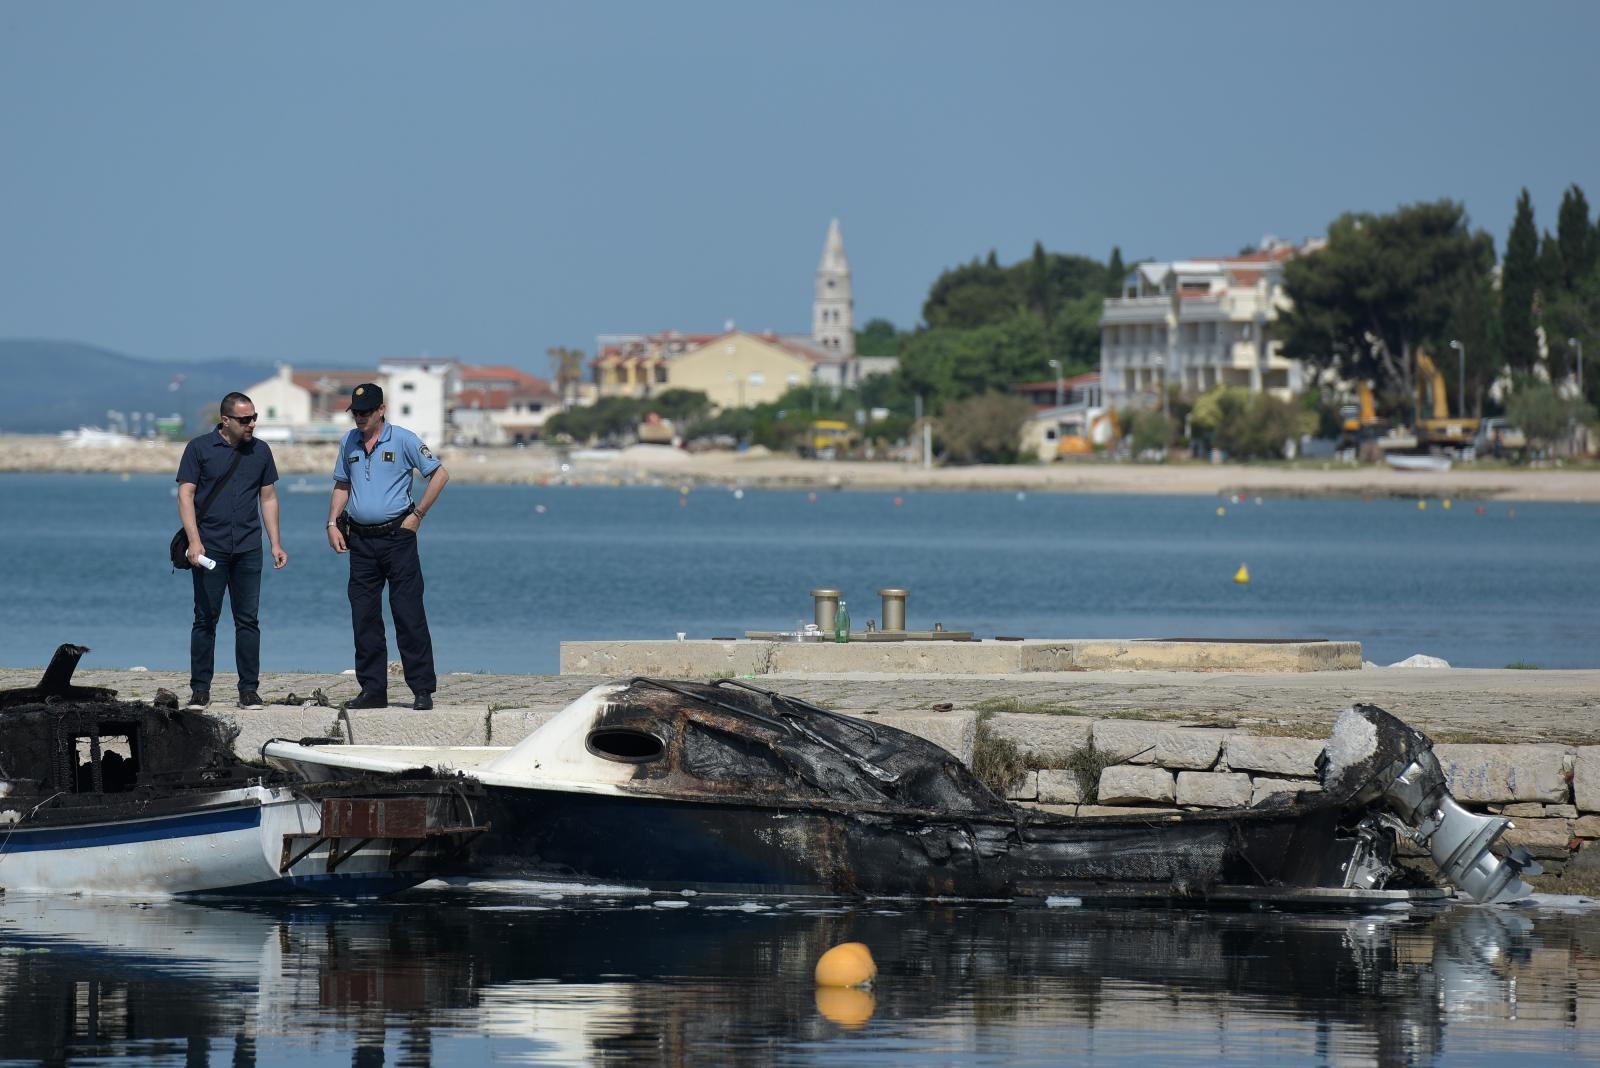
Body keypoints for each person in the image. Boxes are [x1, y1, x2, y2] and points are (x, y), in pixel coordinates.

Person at [327, 383, 449, 710]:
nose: (360, 418)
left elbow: (439, 474)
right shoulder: (349, 441)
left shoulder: (404, 439)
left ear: (381, 409)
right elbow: (342, 483)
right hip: (361, 540)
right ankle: (373, 690)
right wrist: (331, 522)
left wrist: (418, 515)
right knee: (364, 616)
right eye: (356, 412)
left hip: (398, 537)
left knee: (408, 613)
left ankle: (422, 689)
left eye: (366, 412)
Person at [176, 391, 288, 711]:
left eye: (254, 417)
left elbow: (268, 498)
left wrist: (275, 543)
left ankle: (249, 690)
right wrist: (194, 542)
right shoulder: (198, 449)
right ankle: (200, 690)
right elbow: (186, 496)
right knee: (205, 619)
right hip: (210, 547)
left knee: (248, 621)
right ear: (226, 420)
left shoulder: (261, 451)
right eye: (245, 419)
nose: (252, 423)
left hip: (249, 547)